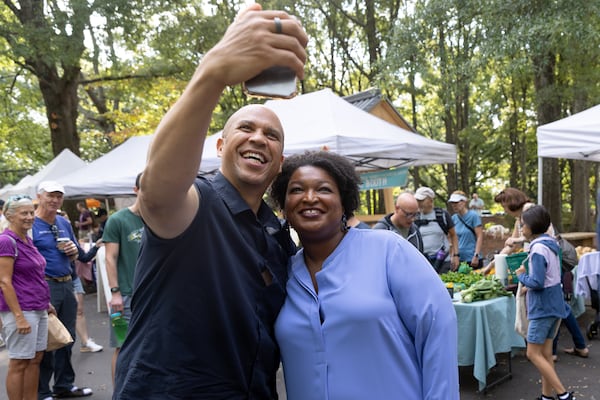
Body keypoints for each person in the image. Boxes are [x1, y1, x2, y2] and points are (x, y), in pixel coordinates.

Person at [113, 5, 307, 398]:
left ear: (280, 162)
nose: (258, 139)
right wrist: (214, 70)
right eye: (246, 128)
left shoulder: (276, 233)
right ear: (219, 145)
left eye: (271, 136)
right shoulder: (195, 204)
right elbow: (157, 192)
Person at [269, 151, 459, 399]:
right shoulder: (285, 271)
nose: (309, 197)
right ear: (283, 206)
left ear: (345, 202)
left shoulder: (387, 250)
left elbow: (437, 328)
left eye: (324, 189)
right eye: (296, 190)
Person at [33, 181, 93, 399]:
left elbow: (77, 252)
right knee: (47, 340)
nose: (54, 200)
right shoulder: (30, 223)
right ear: (39, 196)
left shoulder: (63, 222)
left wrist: (72, 251)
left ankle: (64, 385)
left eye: (59, 196)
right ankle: (42, 391)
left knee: (67, 338)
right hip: (44, 285)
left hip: (67, 282)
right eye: (50, 195)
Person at [515, 205, 573, 400]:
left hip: (542, 307)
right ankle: (546, 397)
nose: (521, 228)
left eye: (523, 225)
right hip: (555, 303)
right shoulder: (551, 243)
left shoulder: (538, 248)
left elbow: (538, 282)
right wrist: (528, 285)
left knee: (532, 354)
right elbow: (549, 276)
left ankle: (564, 395)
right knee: (547, 354)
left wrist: (522, 277)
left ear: (532, 226)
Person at [0, 195, 53, 400]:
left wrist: (45, 303)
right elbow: (4, 281)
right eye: (24, 213)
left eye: (31, 212)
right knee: (19, 362)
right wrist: (19, 316)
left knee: (35, 359)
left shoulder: (27, 240)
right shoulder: (6, 241)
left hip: (37, 308)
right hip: (21, 310)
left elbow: (34, 276)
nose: (30, 217)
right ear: (10, 216)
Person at [103, 173, 143, 383]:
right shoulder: (118, 220)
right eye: (144, 188)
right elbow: (110, 258)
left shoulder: (159, 218)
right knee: (122, 346)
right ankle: (118, 392)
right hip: (124, 298)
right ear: (136, 190)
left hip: (151, 296)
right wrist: (115, 292)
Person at [414, 186, 459, 273]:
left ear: (431, 200)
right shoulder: (415, 217)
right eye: (417, 200)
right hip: (424, 261)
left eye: (422, 200)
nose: (419, 203)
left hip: (443, 261)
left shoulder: (442, 215)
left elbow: (453, 235)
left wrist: (456, 255)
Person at [448, 190, 484, 268]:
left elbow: (479, 236)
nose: (454, 205)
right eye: (452, 203)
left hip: (472, 259)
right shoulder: (453, 218)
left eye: (456, 202)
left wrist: (476, 255)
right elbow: (452, 239)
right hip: (459, 259)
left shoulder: (473, 216)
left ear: (464, 202)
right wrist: (453, 256)